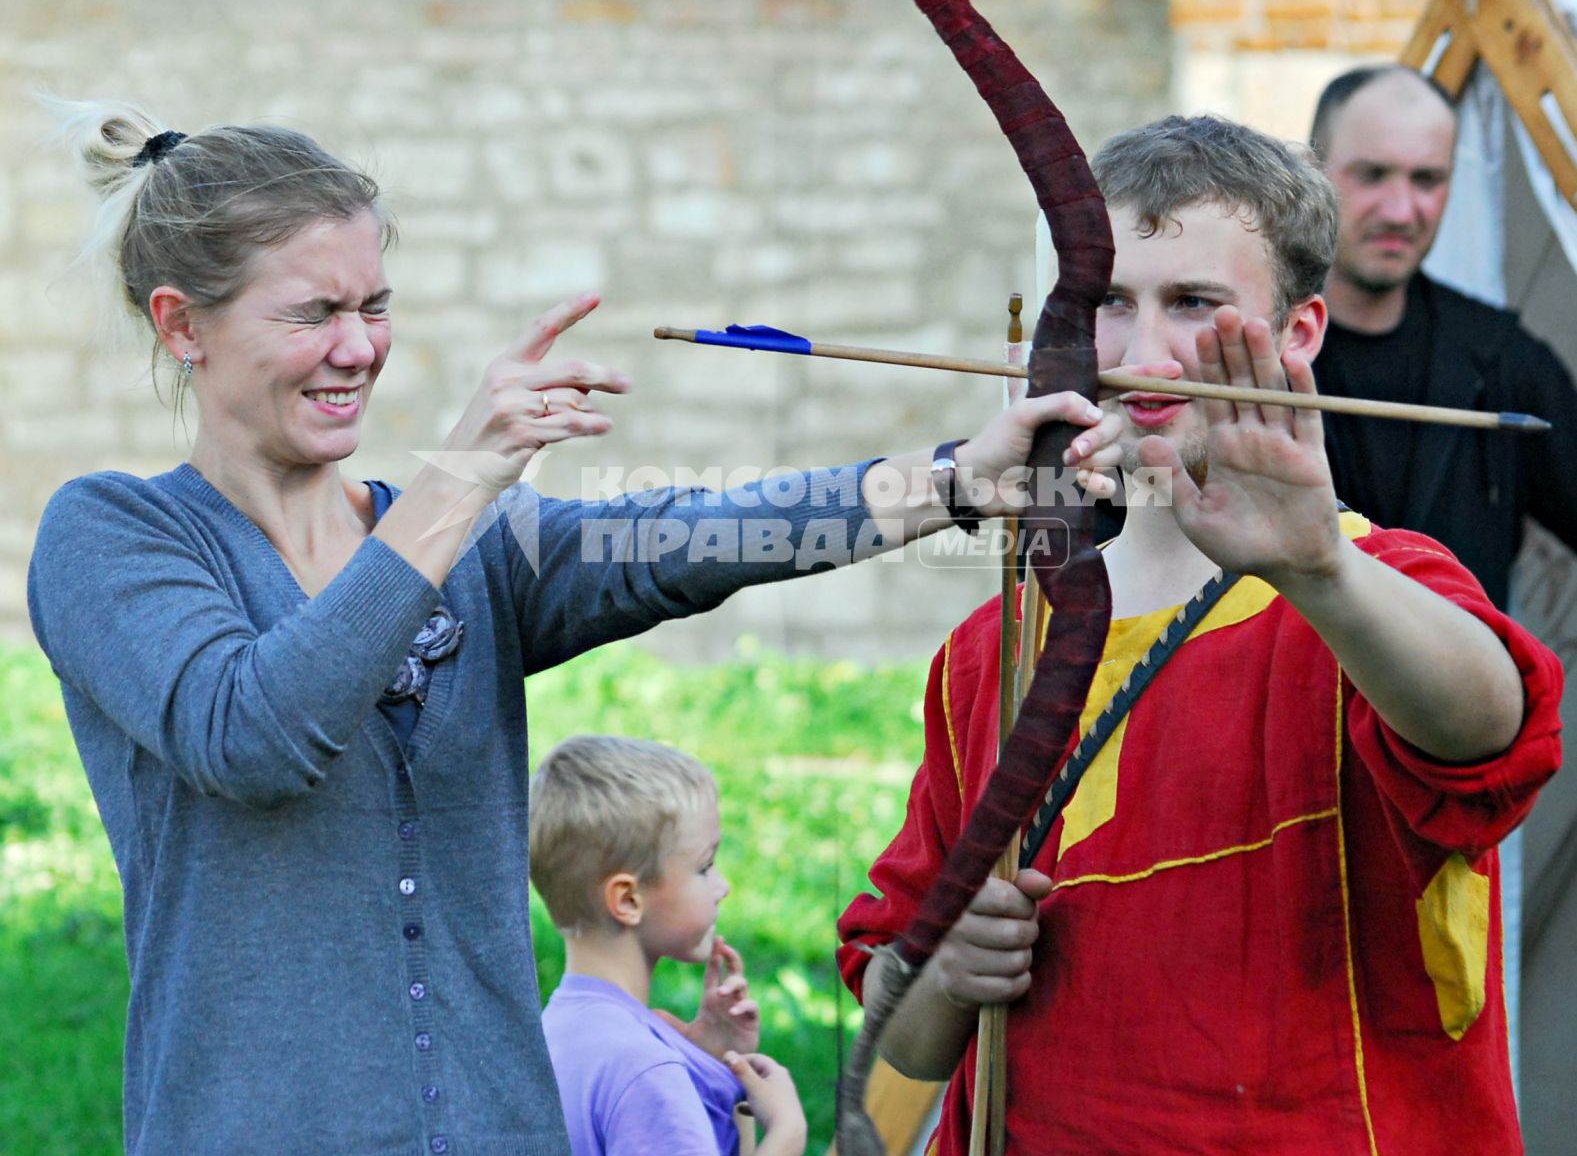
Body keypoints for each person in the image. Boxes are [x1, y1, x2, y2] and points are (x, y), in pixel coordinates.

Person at [25, 102, 1104, 1155]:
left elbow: (689, 539)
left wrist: (958, 477)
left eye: (376, 304)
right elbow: (257, 733)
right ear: (182, 325)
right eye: (312, 314)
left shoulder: (460, 543)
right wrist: (460, 482)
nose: (359, 347)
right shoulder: (112, 535)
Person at [838, 115, 1565, 1155]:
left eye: (1192, 303)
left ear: (1300, 333)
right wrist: (946, 973)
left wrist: (1316, 567)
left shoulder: (1372, 586)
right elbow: (881, 1084)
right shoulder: (990, 649)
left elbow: (1489, 736)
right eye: (1103, 304)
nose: (1140, 357)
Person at [1308, 64, 1577, 609]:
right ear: (1312, 173)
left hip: (1464, 692)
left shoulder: (1500, 358)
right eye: (1373, 174)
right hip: (1292, 692)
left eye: (1426, 179)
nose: (1402, 210)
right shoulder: (1239, 346)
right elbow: (1128, 509)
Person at [530, 735, 805, 1156]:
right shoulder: (645, 1070)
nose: (723, 887)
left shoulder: (553, 1034)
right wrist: (786, 1136)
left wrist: (720, 1066)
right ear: (627, 900)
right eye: (705, 866)